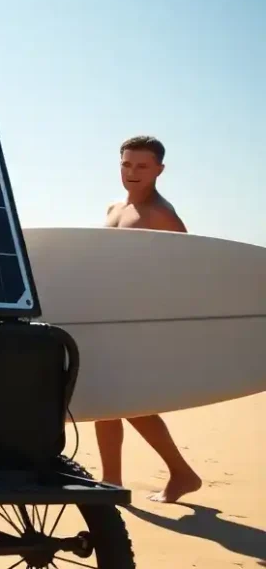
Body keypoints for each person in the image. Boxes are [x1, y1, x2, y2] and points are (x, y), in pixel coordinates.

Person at [95, 135, 203, 503]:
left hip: (139, 322)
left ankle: (181, 473)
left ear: (159, 170)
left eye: (142, 165)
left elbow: (188, 268)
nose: (133, 172)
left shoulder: (161, 214)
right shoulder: (114, 207)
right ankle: (111, 481)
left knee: (122, 401)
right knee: (104, 400)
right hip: (110, 317)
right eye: (127, 164)